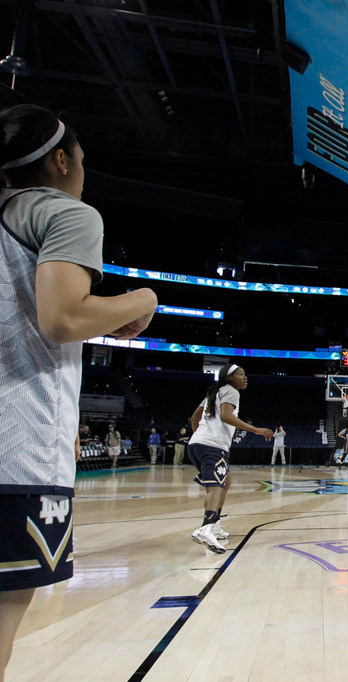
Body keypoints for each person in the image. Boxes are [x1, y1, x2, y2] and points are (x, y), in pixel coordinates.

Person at [0, 103, 158, 681]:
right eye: (83, 161)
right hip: (15, 450)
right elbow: (62, 317)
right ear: (61, 161)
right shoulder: (62, 210)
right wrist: (142, 300)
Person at [187, 364, 273, 552]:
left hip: (197, 445)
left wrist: (199, 437)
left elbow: (194, 418)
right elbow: (226, 416)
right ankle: (206, 528)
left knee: (224, 482)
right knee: (216, 487)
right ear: (229, 378)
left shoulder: (214, 393)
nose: (245, 377)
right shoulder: (232, 391)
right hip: (212, 446)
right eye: (240, 374)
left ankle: (214, 525)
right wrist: (256, 430)